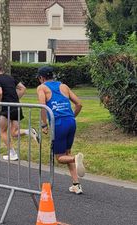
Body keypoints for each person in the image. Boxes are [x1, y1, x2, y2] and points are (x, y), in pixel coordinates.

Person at [35, 65, 85, 194]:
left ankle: (76, 158)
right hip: (71, 122)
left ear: (41, 78)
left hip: (58, 123)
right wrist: (72, 116)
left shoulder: (42, 87)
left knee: (60, 157)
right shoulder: (64, 86)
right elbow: (79, 104)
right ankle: (76, 184)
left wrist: (44, 124)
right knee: (67, 152)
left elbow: (42, 106)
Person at [0, 60, 38, 161]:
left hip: (6, 108)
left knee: (3, 131)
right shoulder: (10, 77)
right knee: (14, 132)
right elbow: (23, 88)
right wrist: (15, 99)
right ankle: (29, 131)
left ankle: (13, 154)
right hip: (16, 106)